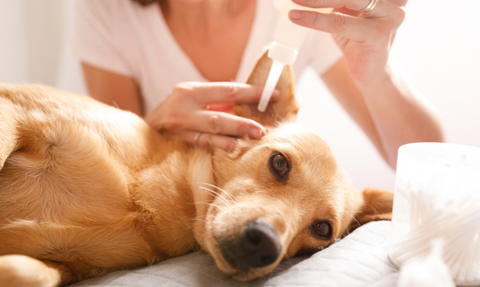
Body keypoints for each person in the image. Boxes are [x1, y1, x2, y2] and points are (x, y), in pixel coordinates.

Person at [73, 0, 444, 169]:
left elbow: (432, 162)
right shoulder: (107, 10)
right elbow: (112, 168)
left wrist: (376, 76)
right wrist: (152, 129)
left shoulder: (303, 7)